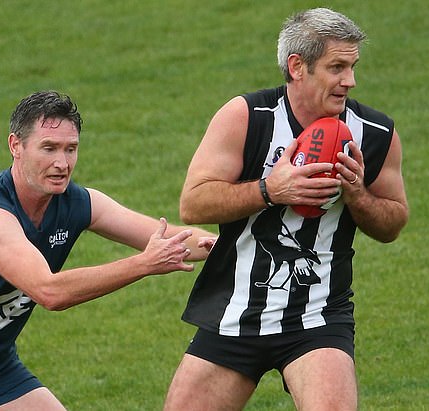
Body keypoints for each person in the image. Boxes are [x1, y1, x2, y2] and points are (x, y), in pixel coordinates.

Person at [0, 90, 216, 410]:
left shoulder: (79, 202)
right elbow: (49, 291)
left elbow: (166, 237)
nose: (62, 163)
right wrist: (143, 265)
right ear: (16, 146)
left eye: (70, 149)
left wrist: (223, 245)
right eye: (49, 148)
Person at [163, 7, 408, 411]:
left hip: (318, 318)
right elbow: (193, 203)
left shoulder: (376, 133)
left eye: (352, 66)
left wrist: (358, 195)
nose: (350, 80)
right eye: (337, 67)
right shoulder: (247, 118)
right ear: (297, 66)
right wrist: (269, 189)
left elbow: (393, 223)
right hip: (234, 313)